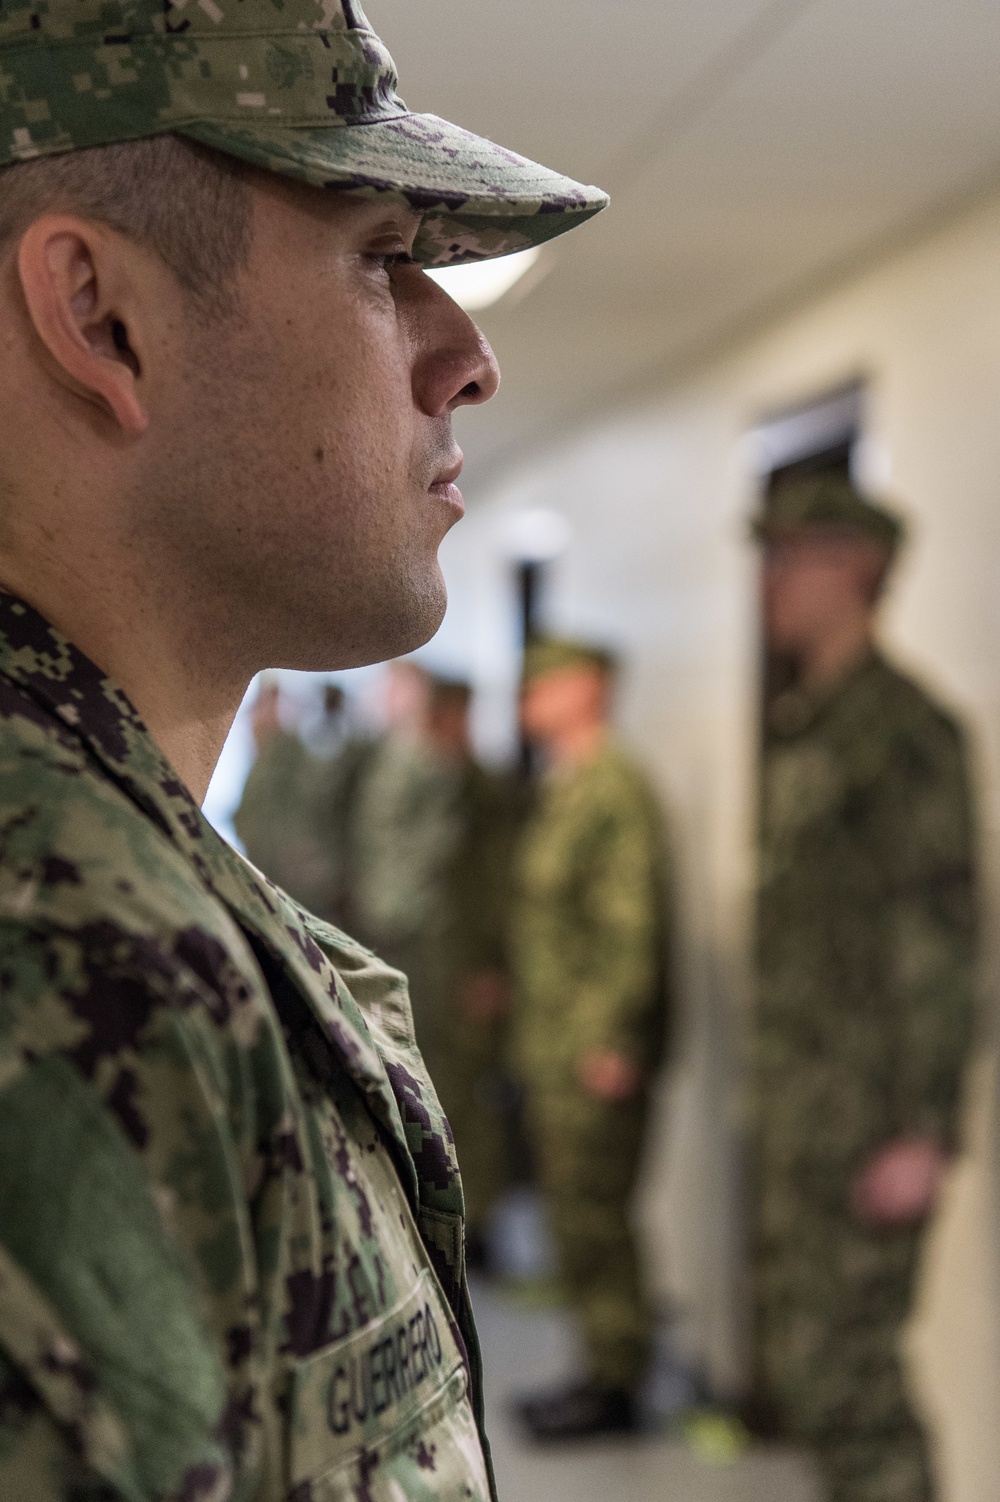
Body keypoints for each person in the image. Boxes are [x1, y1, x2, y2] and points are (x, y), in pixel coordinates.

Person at [0, 1, 607, 1494]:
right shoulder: (69, 950)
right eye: (382, 257)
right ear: (103, 317)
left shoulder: (130, 875)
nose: (468, 359)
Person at [749, 472, 978, 1502]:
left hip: (869, 1117)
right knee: (814, 1370)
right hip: (805, 1102)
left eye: (792, 556)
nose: (771, 580)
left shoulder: (907, 731)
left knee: (855, 1386)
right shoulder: (809, 721)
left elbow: (939, 937)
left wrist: (921, 1128)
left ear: (858, 566)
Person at [510, 638, 671, 1441]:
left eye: (543, 685)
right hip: (556, 1040)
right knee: (575, 1217)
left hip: (590, 1049)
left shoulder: (611, 788)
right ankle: (599, 1368)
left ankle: (619, 1382)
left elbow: (628, 925)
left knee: (598, 1215)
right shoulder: (569, 784)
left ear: (588, 691)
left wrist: (613, 1038)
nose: (526, 699)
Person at [416, 679, 520, 1266]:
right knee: (445, 1091)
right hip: (440, 961)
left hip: (471, 967)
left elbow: (497, 886)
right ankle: (456, 1215)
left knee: (473, 1104)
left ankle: (481, 1223)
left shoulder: (484, 789)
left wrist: (492, 966)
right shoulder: (443, 784)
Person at [233, 678, 337, 914]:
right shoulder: (264, 759)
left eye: (261, 710)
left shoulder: (288, 759)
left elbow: (304, 819)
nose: (253, 722)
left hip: (293, 883)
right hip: (268, 876)